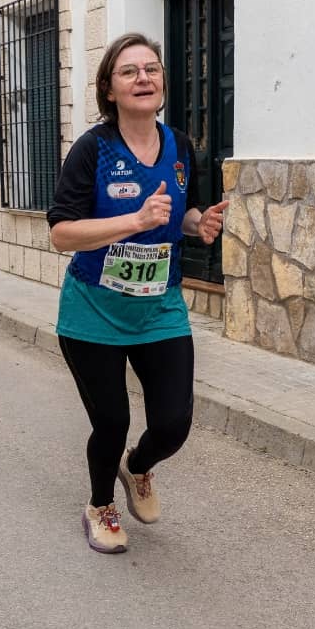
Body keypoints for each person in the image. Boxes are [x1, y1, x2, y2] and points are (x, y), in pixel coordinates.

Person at [47, 33, 229, 554]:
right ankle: (99, 505)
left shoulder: (180, 146)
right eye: (129, 71)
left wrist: (197, 223)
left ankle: (138, 466)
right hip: (93, 311)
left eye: (151, 69)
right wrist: (135, 220)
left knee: (173, 424)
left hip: (160, 309)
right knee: (112, 421)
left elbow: (181, 211)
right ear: (109, 88)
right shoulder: (93, 149)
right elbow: (61, 233)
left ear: (163, 82)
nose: (143, 78)